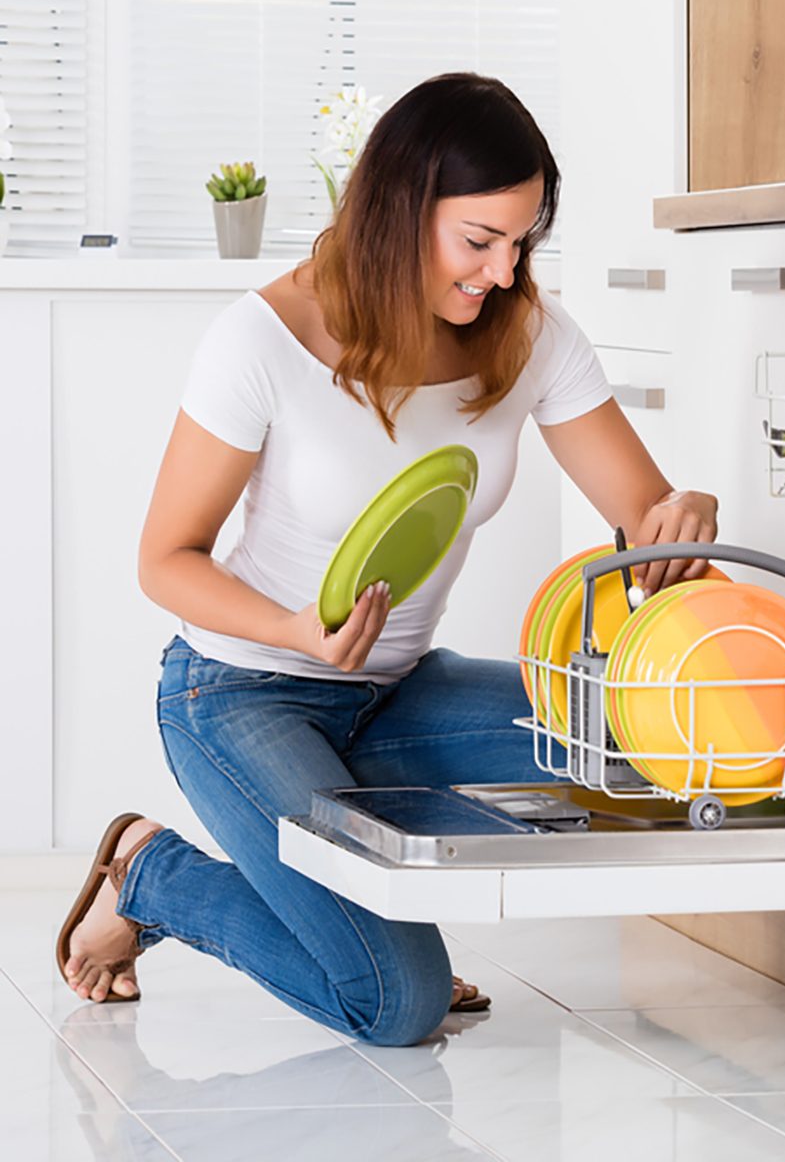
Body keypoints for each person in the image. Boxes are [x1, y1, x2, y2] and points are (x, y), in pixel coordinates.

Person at [55, 73, 718, 1046]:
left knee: (639, 739)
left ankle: (345, 883)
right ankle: (155, 874)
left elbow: (646, 513)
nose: (501, 272)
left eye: (522, 242)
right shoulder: (263, 340)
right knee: (396, 1004)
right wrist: (295, 631)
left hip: (397, 696)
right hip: (242, 695)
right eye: (478, 241)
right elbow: (165, 560)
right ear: (401, 209)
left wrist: (681, 515)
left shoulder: (529, 334)